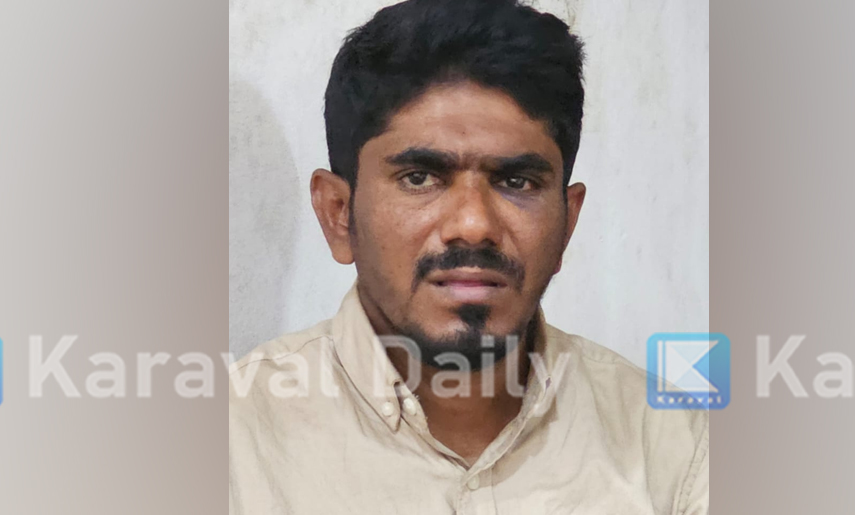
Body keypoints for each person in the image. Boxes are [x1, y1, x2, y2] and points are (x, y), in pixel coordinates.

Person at [229, 0, 708, 513]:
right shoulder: (232, 443)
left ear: (567, 224)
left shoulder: (674, 447)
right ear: (339, 214)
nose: (475, 225)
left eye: (517, 181)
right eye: (420, 178)